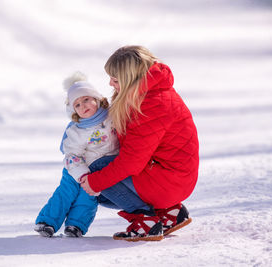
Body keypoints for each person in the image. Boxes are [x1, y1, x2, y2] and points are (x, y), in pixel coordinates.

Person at [81, 45, 199, 241]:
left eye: (116, 80)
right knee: (102, 180)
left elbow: (131, 162)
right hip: (176, 179)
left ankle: (146, 219)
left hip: (171, 182)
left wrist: (95, 181)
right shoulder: (153, 91)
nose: (110, 84)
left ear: (129, 79)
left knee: (96, 171)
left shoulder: (150, 104)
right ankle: (170, 212)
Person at [35, 71, 119, 238]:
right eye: (77, 105)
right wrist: (82, 174)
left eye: (86, 99)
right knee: (66, 193)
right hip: (75, 169)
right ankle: (48, 222)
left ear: (97, 99)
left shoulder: (112, 117)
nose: (83, 106)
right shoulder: (77, 129)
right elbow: (72, 154)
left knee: (88, 198)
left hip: (98, 171)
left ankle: (76, 225)